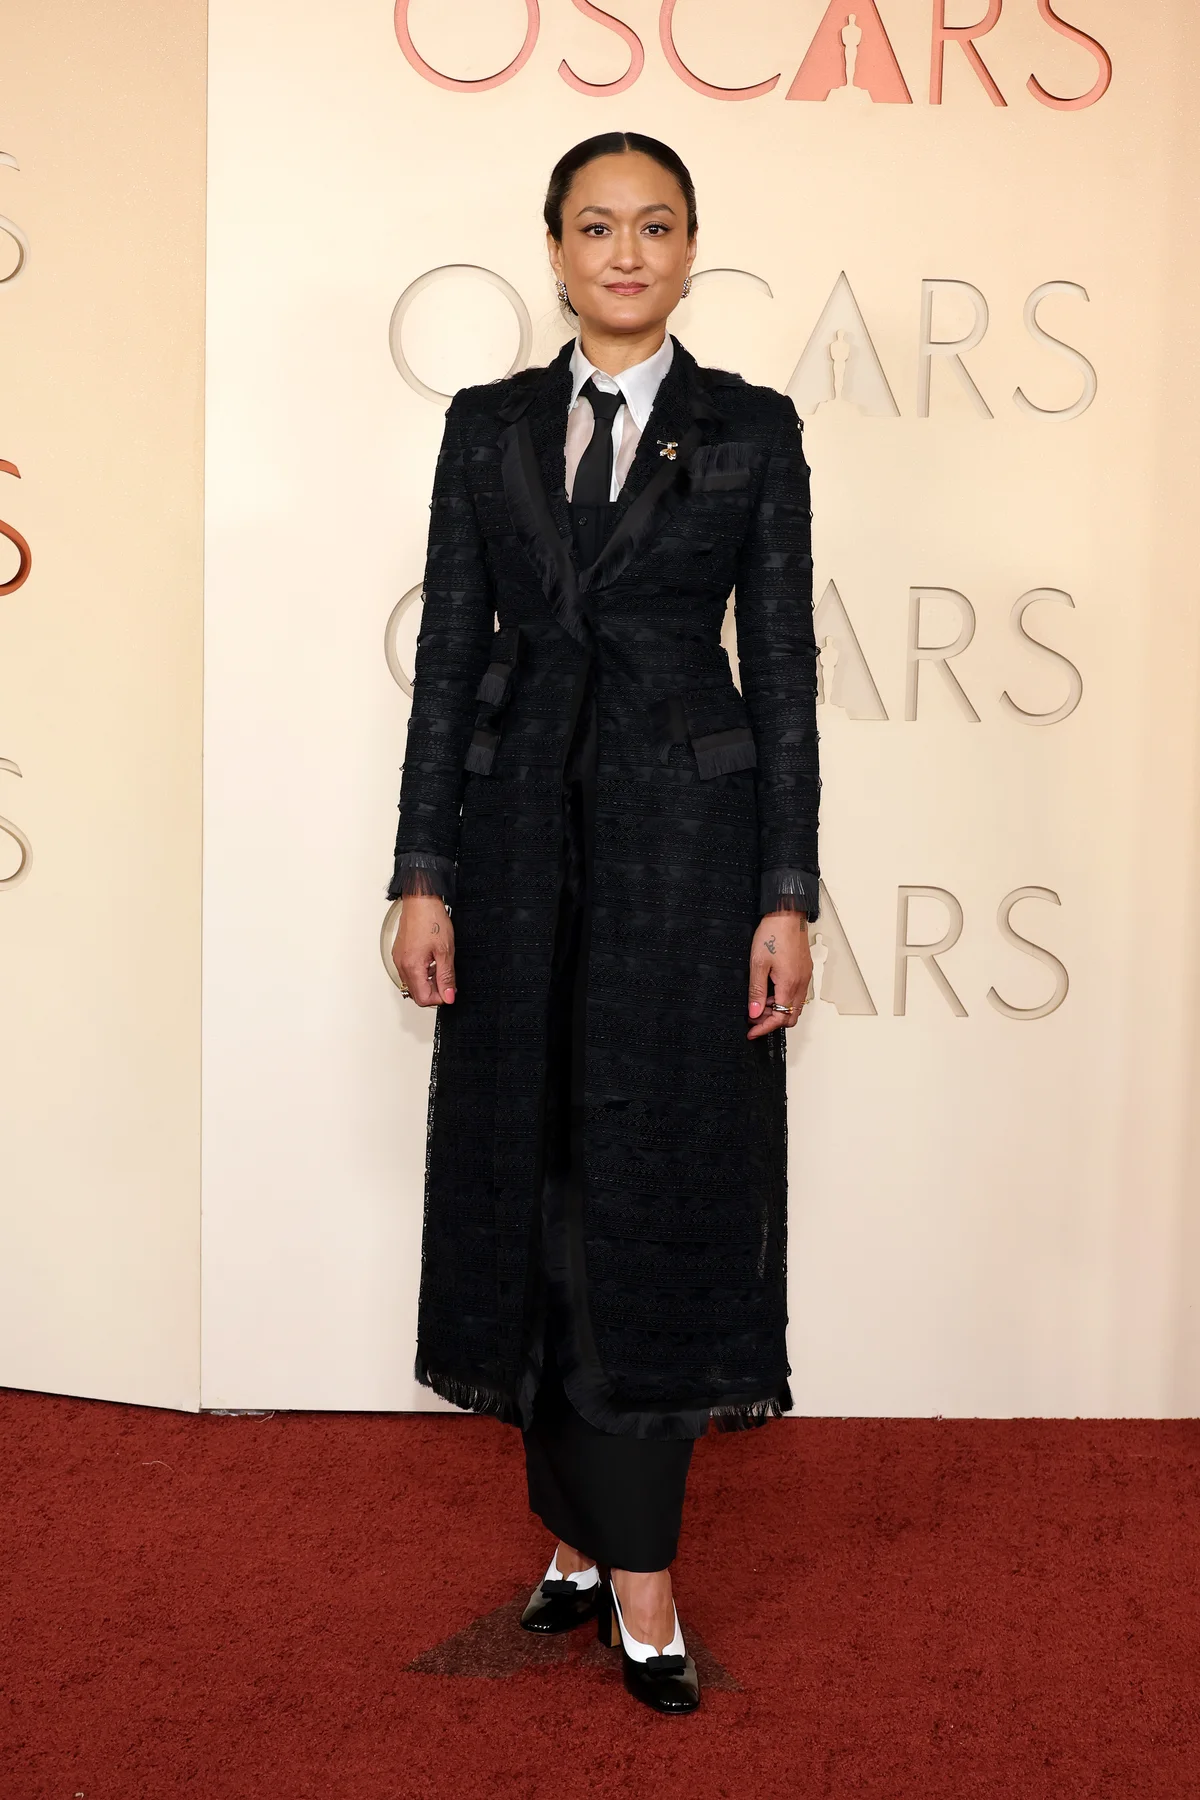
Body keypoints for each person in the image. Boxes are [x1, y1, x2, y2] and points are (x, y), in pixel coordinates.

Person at [388, 132, 821, 1715]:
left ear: (692, 251)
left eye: (654, 226)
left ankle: (641, 1575)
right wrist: (422, 868)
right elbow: (451, 659)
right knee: (539, 1180)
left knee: (655, 1188)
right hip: (511, 854)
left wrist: (787, 893)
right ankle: (576, 1532)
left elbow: (784, 667)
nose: (625, 252)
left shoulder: (750, 429)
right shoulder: (486, 424)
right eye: (595, 225)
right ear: (555, 250)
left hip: (686, 863)